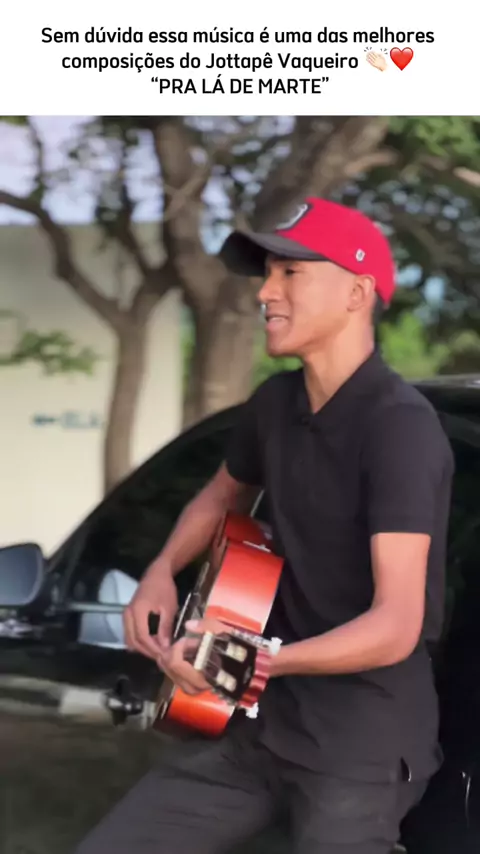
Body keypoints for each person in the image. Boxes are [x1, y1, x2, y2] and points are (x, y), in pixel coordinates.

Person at [76, 198, 454, 854]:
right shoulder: (275, 403)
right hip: (258, 732)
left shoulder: (400, 429)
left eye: (291, 274)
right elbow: (220, 497)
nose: (265, 292)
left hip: (359, 748)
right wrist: (162, 571)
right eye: (268, 274)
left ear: (357, 293)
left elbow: (396, 625)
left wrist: (251, 661)